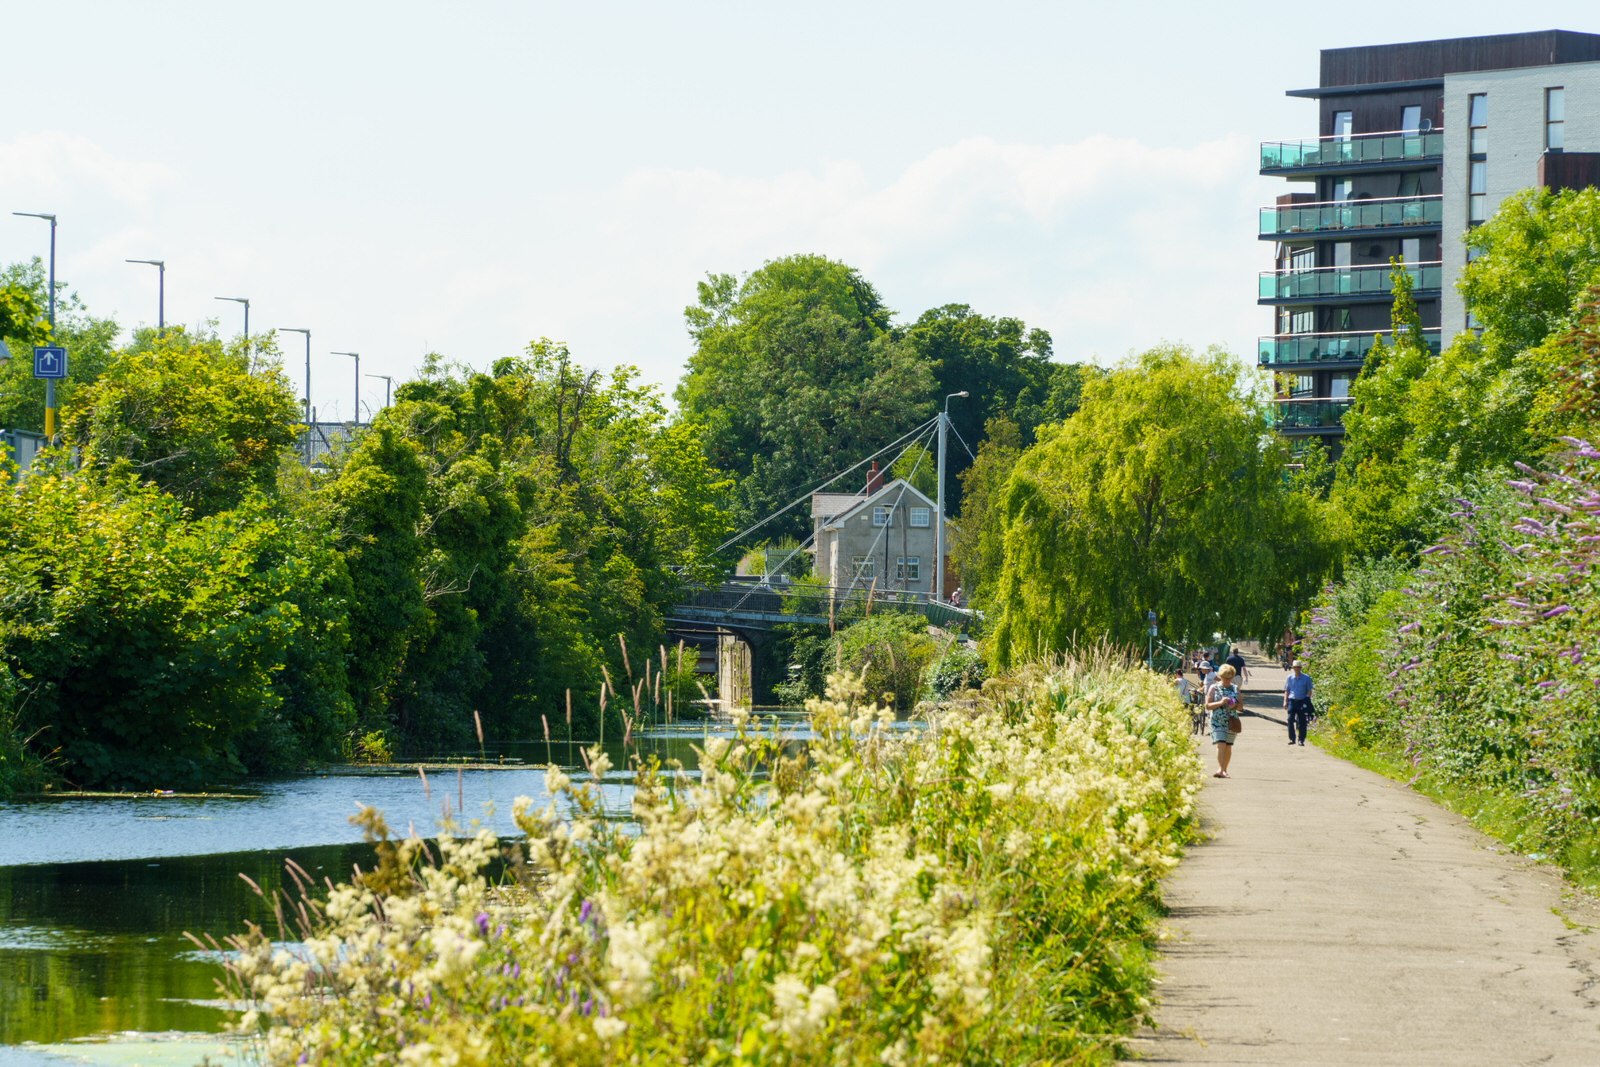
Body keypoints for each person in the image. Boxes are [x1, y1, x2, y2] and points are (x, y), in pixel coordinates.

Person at [1205, 663, 1242, 777]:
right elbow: (1207, 705)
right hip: (1217, 720)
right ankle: (1220, 770)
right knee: (1220, 744)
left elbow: (1241, 706)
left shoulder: (1235, 688)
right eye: (1226, 678)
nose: (1228, 680)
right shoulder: (1214, 687)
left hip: (1231, 721)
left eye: (1230, 678)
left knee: (1228, 745)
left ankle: (1225, 770)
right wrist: (1220, 703)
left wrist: (1234, 705)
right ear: (1221, 676)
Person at [1284, 659, 1314, 746]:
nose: (1296, 669)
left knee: (1302, 721)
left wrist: (1307, 699)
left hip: (1302, 702)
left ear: (1300, 668)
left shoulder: (1306, 678)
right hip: (1292, 701)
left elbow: (1309, 690)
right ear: (1293, 668)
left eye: (1298, 667)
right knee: (1290, 719)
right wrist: (1285, 701)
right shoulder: (1289, 678)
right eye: (1295, 667)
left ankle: (1301, 739)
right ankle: (1291, 738)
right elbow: (1287, 690)